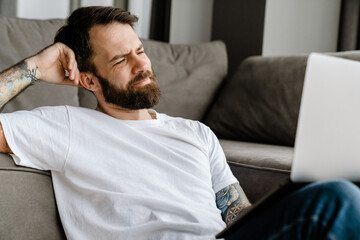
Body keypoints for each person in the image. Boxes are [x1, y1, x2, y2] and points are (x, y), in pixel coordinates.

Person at [0, 6, 359, 240]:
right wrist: (33, 68)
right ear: (89, 80)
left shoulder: (197, 133)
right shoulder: (65, 127)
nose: (142, 65)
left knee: (337, 190)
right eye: (122, 60)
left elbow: (236, 214)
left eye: (139, 51)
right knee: (338, 200)